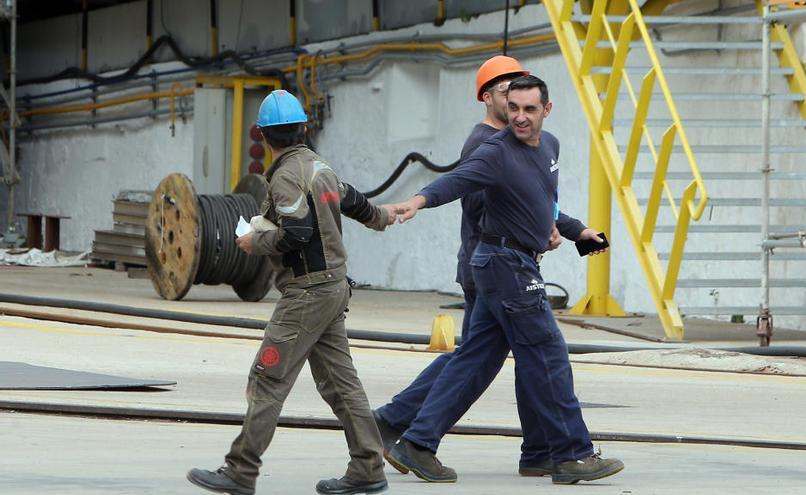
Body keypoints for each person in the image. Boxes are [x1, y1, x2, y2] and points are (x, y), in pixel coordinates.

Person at [385, 75, 624, 485]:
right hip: (504, 264)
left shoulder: (550, 147)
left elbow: (541, 202)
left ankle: (417, 444)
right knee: (548, 353)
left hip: (514, 264)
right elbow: (453, 183)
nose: (520, 117)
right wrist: (417, 201)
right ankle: (572, 454)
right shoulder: (493, 151)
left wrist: (577, 231)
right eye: (513, 108)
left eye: (529, 109)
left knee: (476, 359)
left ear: (547, 110)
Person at [187, 90, 394, 495]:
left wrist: (254, 244)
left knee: (268, 379)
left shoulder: (285, 175)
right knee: (341, 385)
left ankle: (240, 471)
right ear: (303, 128)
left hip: (306, 296)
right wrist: (384, 217)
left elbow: (297, 232)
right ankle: (369, 467)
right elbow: (352, 200)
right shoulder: (320, 167)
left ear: (263, 135)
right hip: (333, 289)